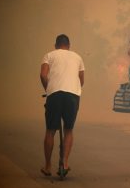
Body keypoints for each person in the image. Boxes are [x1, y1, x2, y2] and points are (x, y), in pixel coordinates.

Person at [40, 34, 85, 176]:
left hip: (54, 94)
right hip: (72, 95)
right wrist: (74, 90)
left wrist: (48, 89)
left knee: (50, 131)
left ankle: (47, 166)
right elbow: (81, 80)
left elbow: (43, 75)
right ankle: (65, 163)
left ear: (55, 45)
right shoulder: (78, 57)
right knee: (69, 130)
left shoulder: (49, 55)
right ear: (69, 45)